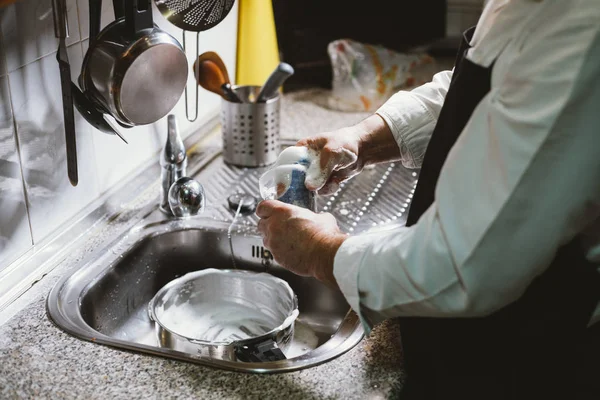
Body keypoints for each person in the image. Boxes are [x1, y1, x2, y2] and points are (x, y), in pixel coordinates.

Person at [256, 0, 600, 398]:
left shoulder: (581, 26)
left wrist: (322, 252)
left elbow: (468, 264)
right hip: (471, 340)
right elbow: (497, 88)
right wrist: (366, 139)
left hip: (533, 359)